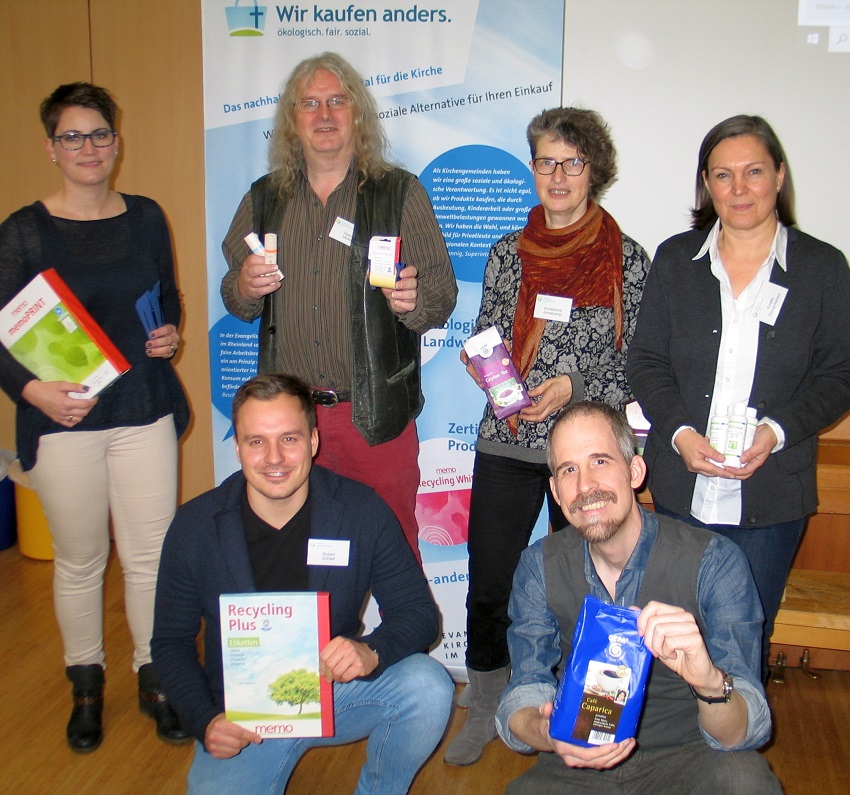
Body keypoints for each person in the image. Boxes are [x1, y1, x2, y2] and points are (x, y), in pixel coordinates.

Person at [446, 107, 650, 765]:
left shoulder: (625, 257)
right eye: (546, 161)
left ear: (595, 170)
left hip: (584, 449)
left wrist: (570, 385)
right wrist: (487, 365)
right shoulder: (508, 250)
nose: (557, 175)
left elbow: (635, 360)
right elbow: (487, 332)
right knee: (490, 580)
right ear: (532, 167)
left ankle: (579, 707)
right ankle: (485, 705)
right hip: (507, 437)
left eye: (572, 162)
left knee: (586, 584)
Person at [151, 373, 453, 794]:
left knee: (429, 686)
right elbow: (170, 641)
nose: (274, 458)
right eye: (256, 441)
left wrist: (371, 650)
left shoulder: (359, 511)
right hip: (243, 715)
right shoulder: (196, 526)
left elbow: (418, 614)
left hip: (336, 691)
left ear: (313, 441)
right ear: (237, 447)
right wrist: (205, 721)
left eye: (289, 439)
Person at [0, 83, 190, 751]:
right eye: (73, 137)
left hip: (142, 408)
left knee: (149, 557)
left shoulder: (145, 216)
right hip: (63, 420)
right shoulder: (22, 231)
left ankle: (156, 678)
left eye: (99, 134)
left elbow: (165, 299)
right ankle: (86, 684)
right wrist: (32, 393)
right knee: (80, 560)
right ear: (51, 148)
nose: (89, 148)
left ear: (117, 141)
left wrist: (168, 332)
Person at [626, 115, 850, 675]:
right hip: (683, 488)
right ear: (707, 185)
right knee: (670, 634)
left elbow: (839, 375)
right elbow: (645, 361)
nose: (740, 188)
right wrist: (679, 432)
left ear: (778, 176)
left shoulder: (822, 268)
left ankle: (729, 752)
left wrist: (776, 432)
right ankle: (674, 753)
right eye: (723, 175)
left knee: (745, 637)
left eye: (753, 172)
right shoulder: (678, 260)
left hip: (773, 495)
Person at [220, 52, 457, 563]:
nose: (324, 115)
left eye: (336, 101)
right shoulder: (264, 200)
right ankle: (319, 646)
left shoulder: (399, 192)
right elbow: (235, 300)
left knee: (394, 548)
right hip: (290, 421)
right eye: (310, 104)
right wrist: (244, 285)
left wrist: (415, 302)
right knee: (299, 551)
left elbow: (441, 293)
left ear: (356, 115)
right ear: (292, 121)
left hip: (374, 415)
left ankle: (400, 646)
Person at [496, 401, 781, 794]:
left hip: (689, 757)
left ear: (634, 471)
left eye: (599, 461)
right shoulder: (538, 566)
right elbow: (524, 691)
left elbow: (742, 733)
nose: (584, 486)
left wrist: (709, 682)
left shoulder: (713, 562)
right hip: (576, 760)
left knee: (747, 784)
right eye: (568, 470)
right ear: (556, 492)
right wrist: (547, 732)